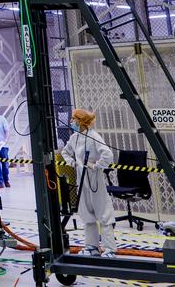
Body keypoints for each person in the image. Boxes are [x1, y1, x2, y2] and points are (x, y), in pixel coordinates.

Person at [60, 108, 116, 256]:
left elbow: (108, 155)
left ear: (82, 121)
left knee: (103, 214)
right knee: (86, 213)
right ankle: (92, 247)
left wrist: (96, 166)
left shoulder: (93, 136)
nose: (71, 121)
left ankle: (110, 249)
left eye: (74, 118)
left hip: (94, 179)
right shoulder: (74, 138)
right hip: (81, 178)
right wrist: (73, 163)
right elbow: (65, 152)